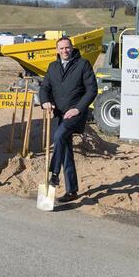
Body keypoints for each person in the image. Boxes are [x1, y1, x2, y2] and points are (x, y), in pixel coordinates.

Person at [39, 37, 97, 203]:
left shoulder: (82, 65)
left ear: (72, 48)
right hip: (59, 115)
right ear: (57, 50)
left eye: (67, 48)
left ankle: (54, 174)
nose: (65, 51)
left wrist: (78, 108)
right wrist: (45, 101)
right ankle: (72, 191)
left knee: (58, 136)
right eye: (62, 48)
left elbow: (92, 90)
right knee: (65, 149)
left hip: (76, 115)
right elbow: (45, 88)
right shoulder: (53, 67)